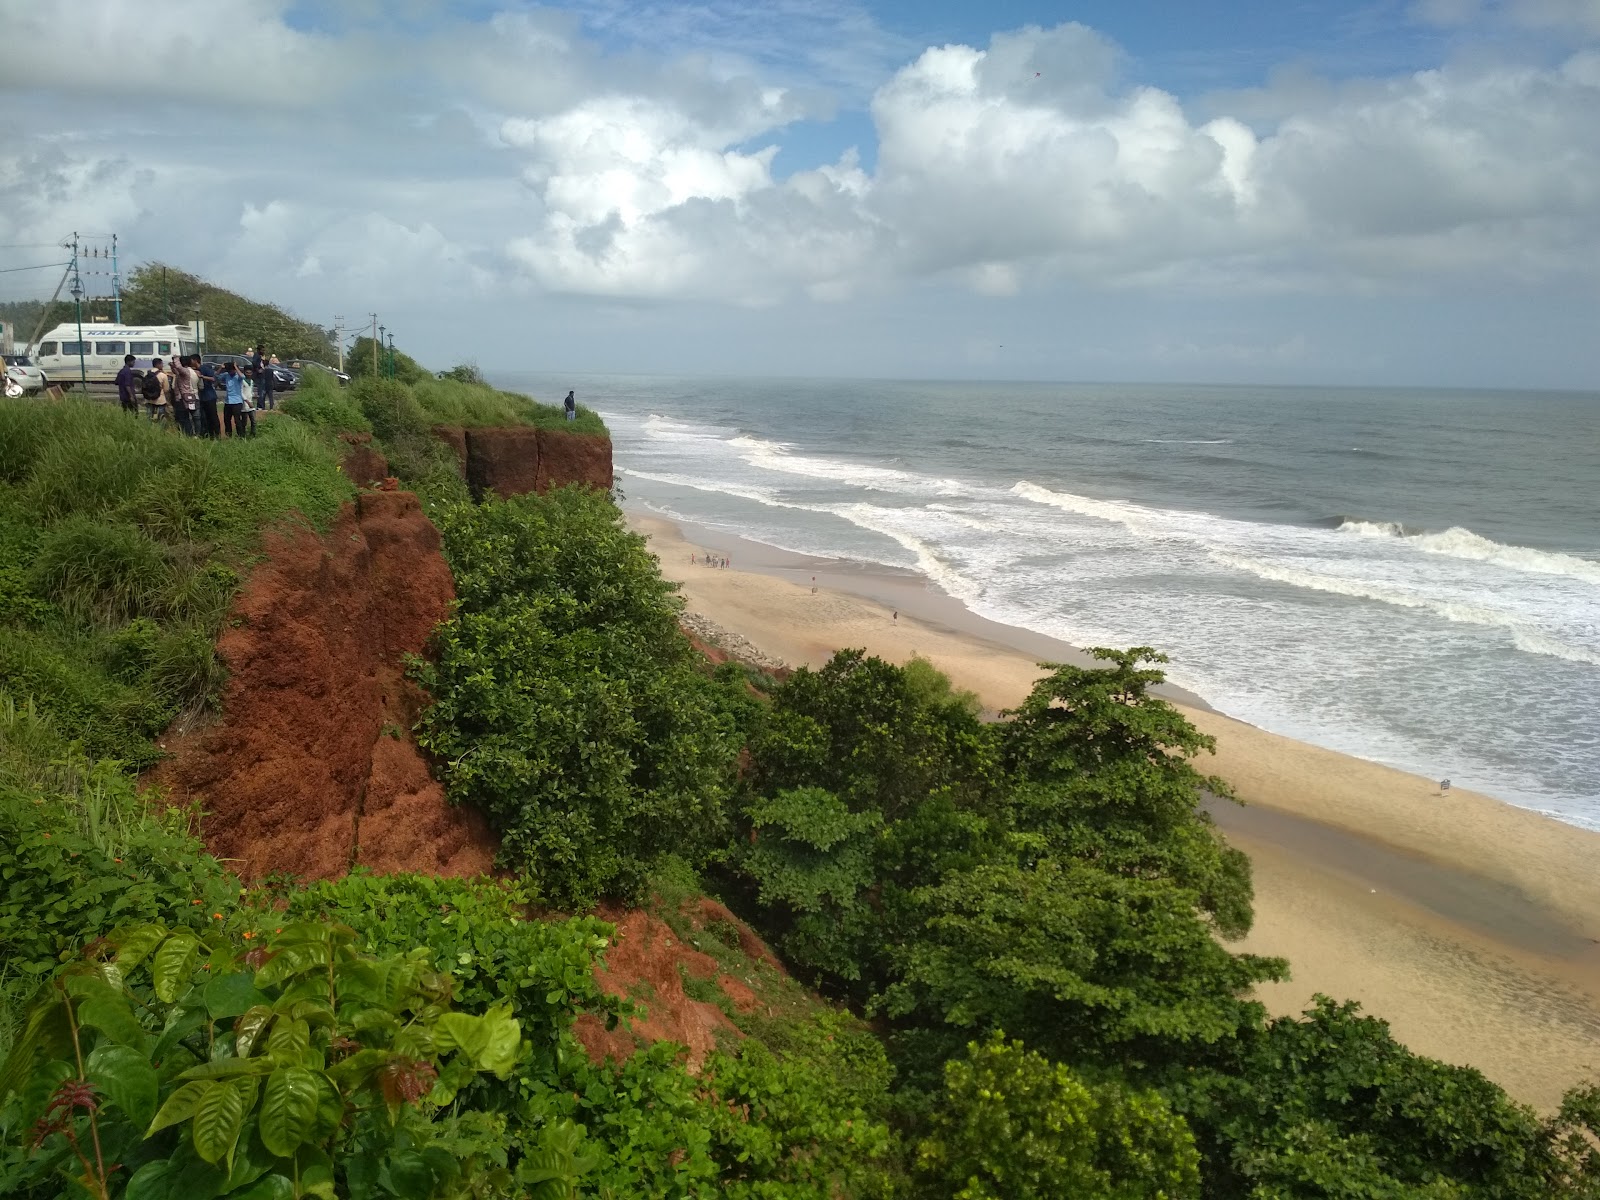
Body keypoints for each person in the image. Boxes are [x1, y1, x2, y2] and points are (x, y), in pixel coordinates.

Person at [172, 355, 199, 437]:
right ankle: (196, 434)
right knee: (195, 417)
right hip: (192, 396)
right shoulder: (192, 372)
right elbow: (176, 370)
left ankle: (189, 434)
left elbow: (178, 368)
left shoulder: (185, 371)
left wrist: (176, 358)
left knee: (184, 418)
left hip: (184, 398)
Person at [221, 360, 248, 436]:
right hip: (228, 401)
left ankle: (240, 435)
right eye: (229, 370)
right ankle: (228, 435)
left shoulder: (238, 376)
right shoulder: (226, 375)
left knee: (237, 419)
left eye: (231, 370)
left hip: (237, 401)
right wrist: (221, 368)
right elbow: (216, 376)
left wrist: (235, 367)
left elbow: (243, 376)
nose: (230, 372)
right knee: (227, 419)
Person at [197, 357, 221, 438]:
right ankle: (208, 434)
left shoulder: (204, 368)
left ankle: (217, 434)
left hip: (209, 397)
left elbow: (213, 378)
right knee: (204, 417)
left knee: (213, 416)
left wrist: (202, 377)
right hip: (201, 397)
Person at [142, 356, 170, 422]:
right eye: (161, 364)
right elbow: (166, 389)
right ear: (158, 364)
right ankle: (160, 427)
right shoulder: (163, 375)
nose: (162, 365)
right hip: (160, 400)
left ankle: (148, 427)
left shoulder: (147, 374)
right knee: (161, 417)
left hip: (149, 399)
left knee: (149, 417)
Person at [252, 344, 275, 411]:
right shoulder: (256, 355)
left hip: (261, 376)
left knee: (262, 391)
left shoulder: (260, 356)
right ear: (258, 350)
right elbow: (254, 363)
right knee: (261, 391)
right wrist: (258, 370)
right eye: (262, 350)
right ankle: (260, 406)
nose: (263, 351)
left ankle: (261, 406)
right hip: (259, 376)